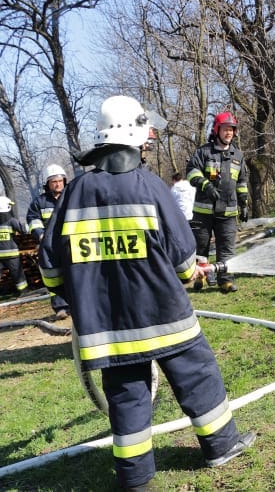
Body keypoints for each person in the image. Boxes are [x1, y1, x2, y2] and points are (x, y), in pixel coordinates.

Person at [37, 95, 255, 491]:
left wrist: (72, 295)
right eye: (146, 133)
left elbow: (50, 265)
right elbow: (184, 260)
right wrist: (194, 272)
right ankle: (221, 445)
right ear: (131, 133)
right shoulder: (149, 187)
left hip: (108, 328)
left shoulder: (72, 194)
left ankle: (136, 479)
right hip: (165, 317)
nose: (150, 139)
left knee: (126, 397)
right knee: (198, 375)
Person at [186, 111, 249, 293]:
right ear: (216, 130)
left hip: (228, 212)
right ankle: (201, 278)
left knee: (226, 248)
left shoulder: (237, 155)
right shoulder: (204, 152)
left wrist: (244, 203)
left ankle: (225, 280)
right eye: (225, 129)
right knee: (201, 248)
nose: (228, 133)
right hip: (204, 211)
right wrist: (206, 185)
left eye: (231, 129)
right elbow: (191, 172)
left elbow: (242, 181)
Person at [26, 163, 70, 319]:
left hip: (69, 243)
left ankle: (76, 305)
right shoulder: (40, 202)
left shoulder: (71, 197)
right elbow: (32, 219)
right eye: (54, 181)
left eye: (60, 181)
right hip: (49, 246)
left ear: (64, 180)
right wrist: (40, 235)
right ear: (48, 184)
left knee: (72, 274)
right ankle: (61, 308)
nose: (57, 184)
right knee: (53, 277)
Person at [0, 195, 30, 296]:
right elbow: (23, 230)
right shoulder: (11, 220)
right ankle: (23, 291)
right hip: (11, 254)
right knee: (17, 274)